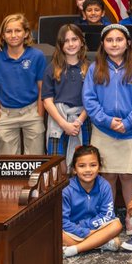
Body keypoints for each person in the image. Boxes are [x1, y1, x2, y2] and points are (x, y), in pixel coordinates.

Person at [82, 23, 132, 225]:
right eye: (110, 40)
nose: (114, 44)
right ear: (103, 44)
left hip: (130, 130)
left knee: (128, 176)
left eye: (119, 40)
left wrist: (127, 122)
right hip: (103, 130)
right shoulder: (95, 67)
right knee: (107, 176)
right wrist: (107, 121)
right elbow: (89, 99)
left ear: (128, 43)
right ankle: (109, 219)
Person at [0, 13, 47, 156]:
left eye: (18, 31)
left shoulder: (37, 56)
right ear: (3, 35)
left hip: (32, 112)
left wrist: (39, 116)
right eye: (8, 31)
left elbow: (42, 89)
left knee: (35, 162)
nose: (13, 35)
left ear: (26, 33)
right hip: (6, 114)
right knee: (9, 164)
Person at [61, 145, 125, 257]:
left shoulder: (104, 186)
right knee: (58, 235)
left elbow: (108, 215)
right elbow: (63, 221)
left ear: (99, 167)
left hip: (96, 228)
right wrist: (85, 232)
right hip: (73, 231)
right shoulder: (66, 189)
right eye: (82, 166)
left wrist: (89, 228)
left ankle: (75, 249)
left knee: (117, 225)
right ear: (74, 169)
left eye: (93, 165)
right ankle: (100, 243)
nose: (88, 170)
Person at [42, 24, 90, 162]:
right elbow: (47, 101)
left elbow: (93, 99)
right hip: (58, 119)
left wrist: (79, 121)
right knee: (56, 163)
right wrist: (64, 124)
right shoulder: (52, 68)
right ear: (60, 45)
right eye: (66, 41)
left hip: (82, 119)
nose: (71, 44)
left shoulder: (90, 68)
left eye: (74, 39)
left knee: (82, 160)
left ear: (81, 42)